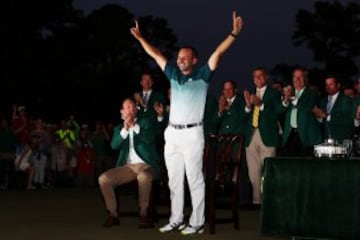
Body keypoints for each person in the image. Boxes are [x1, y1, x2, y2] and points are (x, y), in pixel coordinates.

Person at [130, 11, 244, 235]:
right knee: (174, 180)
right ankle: (176, 218)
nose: (179, 59)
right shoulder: (173, 74)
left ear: (194, 60)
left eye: (184, 57)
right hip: (172, 134)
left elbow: (219, 53)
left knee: (194, 179)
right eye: (178, 57)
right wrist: (141, 38)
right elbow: (156, 55)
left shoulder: (203, 75)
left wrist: (234, 33)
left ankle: (197, 221)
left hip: (193, 134)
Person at [98, 98, 160, 229]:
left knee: (144, 176)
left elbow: (149, 139)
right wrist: (125, 129)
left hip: (146, 165)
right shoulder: (118, 128)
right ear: (122, 112)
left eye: (133, 106)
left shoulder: (146, 122)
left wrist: (135, 127)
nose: (131, 109)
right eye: (128, 107)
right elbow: (114, 145)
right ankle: (113, 214)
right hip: (128, 167)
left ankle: (144, 214)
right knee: (103, 179)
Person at [243, 67, 283, 207]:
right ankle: (257, 202)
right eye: (255, 76)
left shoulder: (274, 94)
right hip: (251, 136)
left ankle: (270, 202)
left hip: (268, 135)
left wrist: (260, 105)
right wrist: (248, 107)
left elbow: (276, 114)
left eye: (261, 76)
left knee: (268, 171)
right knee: (253, 173)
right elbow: (244, 117)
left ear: (266, 77)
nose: (258, 79)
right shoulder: (251, 93)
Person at [279, 67, 323, 156]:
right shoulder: (287, 93)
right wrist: (285, 100)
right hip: (290, 135)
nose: (297, 80)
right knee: (288, 165)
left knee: (305, 166)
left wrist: (293, 98)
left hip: (306, 136)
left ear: (306, 79)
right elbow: (279, 111)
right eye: (295, 77)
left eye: (300, 77)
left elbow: (308, 107)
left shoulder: (312, 93)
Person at [312, 76, 353, 142]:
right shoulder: (323, 101)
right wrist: (318, 117)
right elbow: (321, 122)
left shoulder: (345, 100)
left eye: (331, 84)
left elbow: (348, 121)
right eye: (326, 85)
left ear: (338, 85)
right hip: (325, 140)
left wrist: (327, 116)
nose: (328, 87)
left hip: (341, 140)